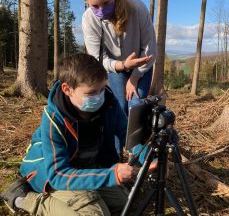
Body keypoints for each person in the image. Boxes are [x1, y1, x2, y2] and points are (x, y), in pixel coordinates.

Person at [0, 53, 151, 216]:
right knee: (96, 214)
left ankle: (87, 197)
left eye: (101, 89)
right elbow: (58, 174)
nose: (99, 96)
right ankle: (24, 198)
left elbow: (127, 134)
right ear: (67, 89)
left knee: (125, 204)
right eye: (91, 93)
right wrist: (111, 174)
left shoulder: (109, 103)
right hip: (52, 172)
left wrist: (148, 158)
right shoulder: (53, 118)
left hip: (86, 167)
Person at [82, 0, 157, 116]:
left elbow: (149, 49)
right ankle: (120, 137)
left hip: (142, 67)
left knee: (135, 106)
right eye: (94, 6)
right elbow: (97, 58)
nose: (101, 10)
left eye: (105, 3)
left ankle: (136, 137)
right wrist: (122, 65)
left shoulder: (137, 8)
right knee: (119, 109)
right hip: (114, 68)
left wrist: (134, 78)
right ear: (87, 1)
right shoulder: (89, 18)